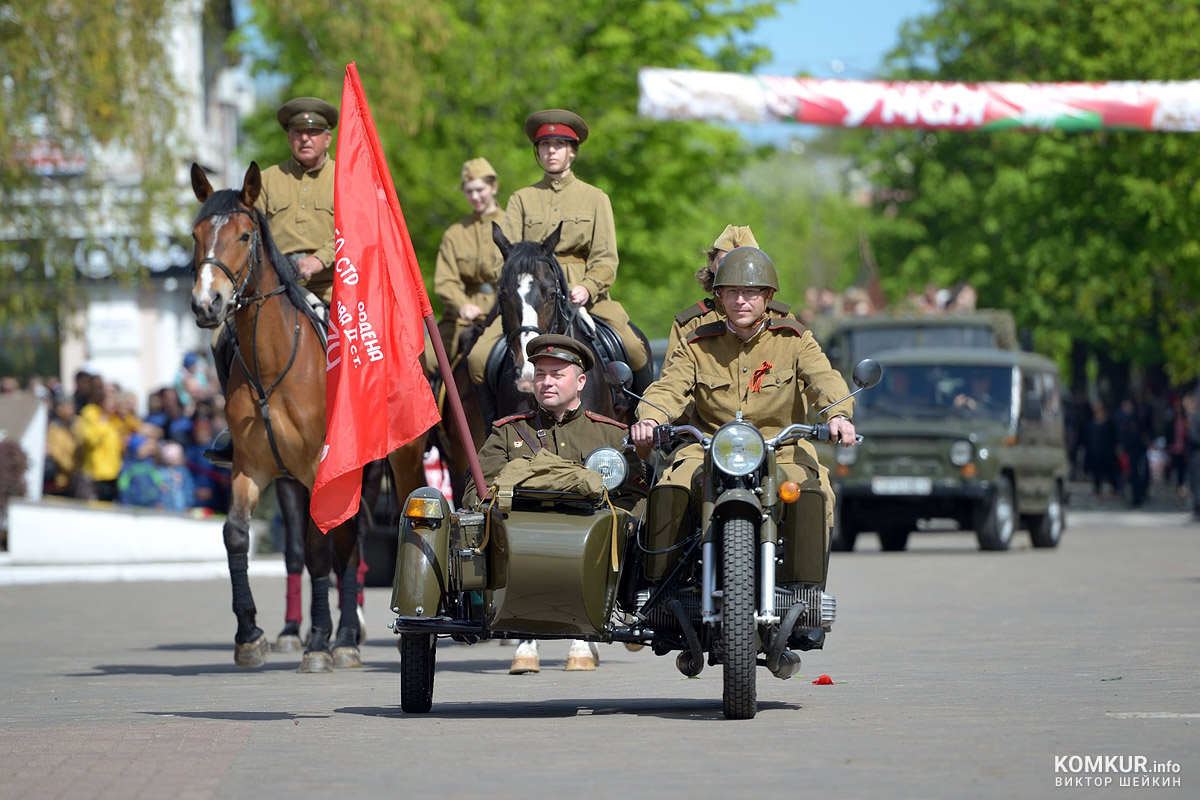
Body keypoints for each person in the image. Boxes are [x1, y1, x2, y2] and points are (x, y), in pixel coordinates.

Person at [630, 247, 857, 571]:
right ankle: (658, 588)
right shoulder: (697, 344)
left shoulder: (794, 339)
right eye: (732, 292)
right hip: (708, 446)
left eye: (750, 292)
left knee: (812, 493)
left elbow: (824, 378)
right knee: (671, 487)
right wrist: (650, 417)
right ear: (719, 296)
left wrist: (837, 414)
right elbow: (669, 386)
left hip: (781, 447)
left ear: (767, 296)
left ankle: (805, 590)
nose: (741, 300)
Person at [463, 334, 633, 674]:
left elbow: (635, 496)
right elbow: (475, 491)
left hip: (593, 555)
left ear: (580, 381)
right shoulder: (507, 433)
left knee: (633, 344)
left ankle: (625, 605)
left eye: (558, 374)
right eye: (540, 374)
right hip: (519, 551)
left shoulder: (611, 436)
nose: (546, 382)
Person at [467, 109, 649, 420]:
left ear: (572, 152)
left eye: (559, 145)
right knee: (477, 358)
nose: (552, 151)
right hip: (530, 298)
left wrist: (587, 287)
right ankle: (490, 431)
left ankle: (640, 427)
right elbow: (505, 256)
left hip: (585, 294)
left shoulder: (595, 198)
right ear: (537, 152)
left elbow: (605, 258)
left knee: (635, 347)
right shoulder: (522, 199)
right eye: (545, 145)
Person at [207, 96, 338, 464]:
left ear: (328, 138)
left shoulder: (345, 178)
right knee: (222, 338)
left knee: (366, 344)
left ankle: (363, 425)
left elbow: (354, 232)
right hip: (278, 289)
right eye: (298, 132)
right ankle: (237, 430)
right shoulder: (266, 180)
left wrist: (319, 260)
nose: (305, 139)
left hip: (332, 289)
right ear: (289, 138)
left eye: (314, 132)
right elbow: (246, 233)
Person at [668, 224, 795, 353]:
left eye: (745, 265)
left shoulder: (781, 319)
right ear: (711, 264)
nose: (735, 272)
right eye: (725, 263)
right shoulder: (691, 325)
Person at [433, 158, 505, 361]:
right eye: (468, 191)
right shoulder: (455, 233)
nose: (475, 196)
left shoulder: (513, 226)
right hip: (461, 319)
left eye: (480, 189)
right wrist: (462, 305)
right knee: (425, 361)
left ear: (494, 187)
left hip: (502, 314)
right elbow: (444, 281)